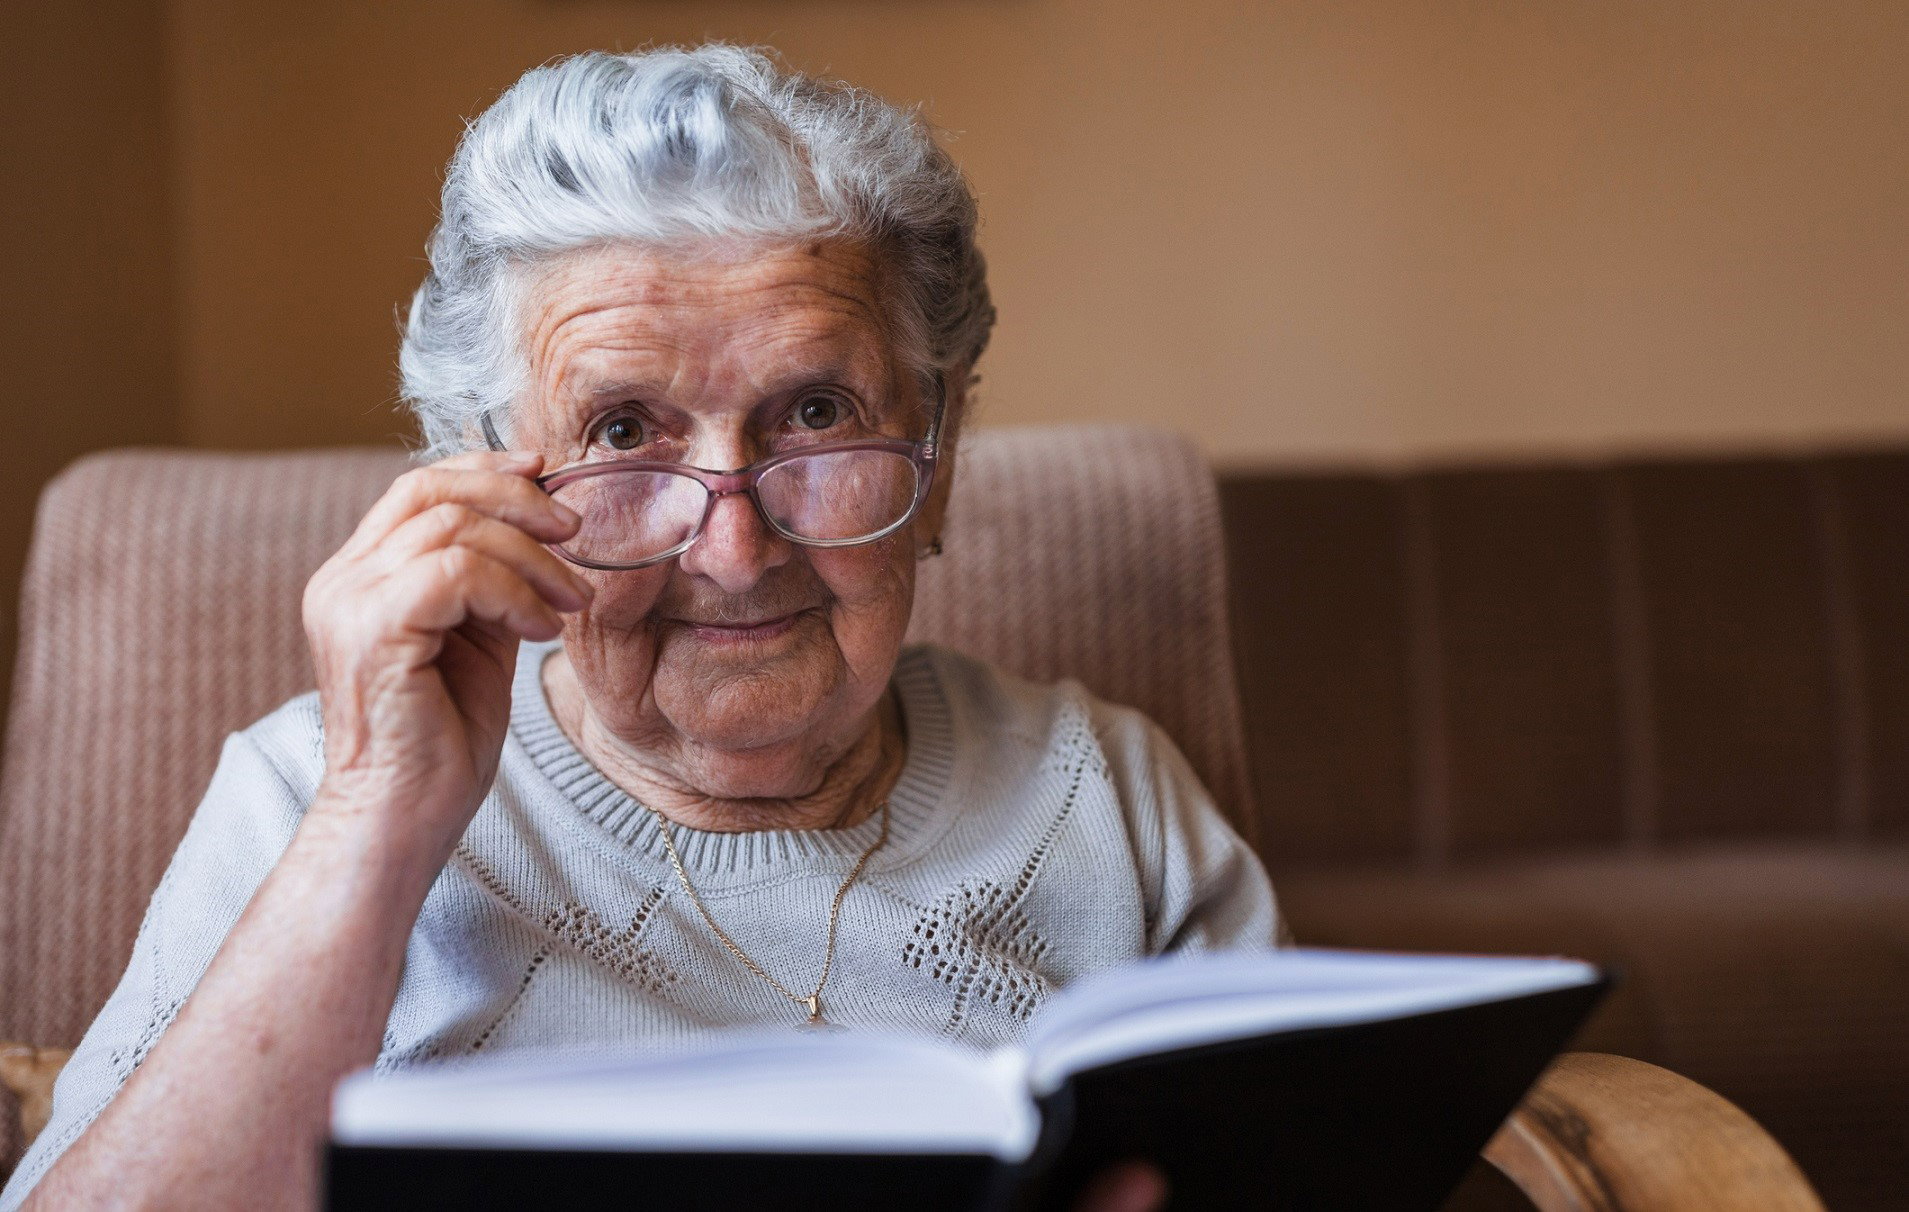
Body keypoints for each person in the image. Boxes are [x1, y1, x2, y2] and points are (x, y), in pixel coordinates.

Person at [0, 43, 1278, 1212]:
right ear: (487, 479)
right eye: (621, 431)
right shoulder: (308, 796)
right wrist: (376, 827)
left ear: (936, 459)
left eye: (819, 415)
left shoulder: (1102, 796)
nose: (734, 548)